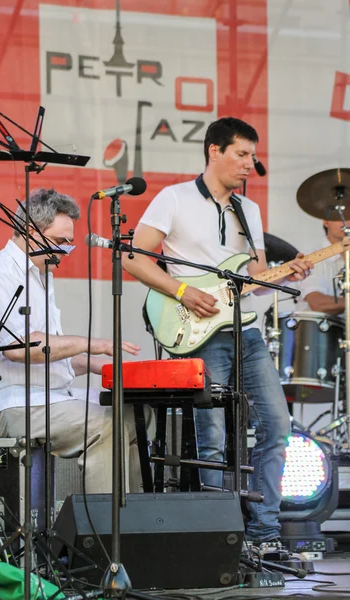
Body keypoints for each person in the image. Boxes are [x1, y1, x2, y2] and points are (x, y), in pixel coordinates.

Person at [122, 117, 313, 543]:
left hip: (245, 330)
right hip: (198, 332)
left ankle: (263, 535)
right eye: (241, 154)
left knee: (277, 427)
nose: (249, 164)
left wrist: (286, 274)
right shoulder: (173, 199)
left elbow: (256, 278)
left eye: (253, 156)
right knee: (210, 439)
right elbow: (132, 258)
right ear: (214, 150)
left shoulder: (249, 210)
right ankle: (216, 539)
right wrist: (184, 290)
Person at [0, 188, 152, 493]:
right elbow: (20, 349)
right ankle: (104, 534)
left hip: (46, 396)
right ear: (30, 231)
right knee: (105, 425)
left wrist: (103, 367)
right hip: (8, 405)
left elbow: (52, 355)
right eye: (60, 241)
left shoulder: (41, 275)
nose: (67, 249)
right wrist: (93, 343)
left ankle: (131, 518)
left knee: (136, 414)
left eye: (70, 242)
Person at [299, 219, 349, 315]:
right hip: (318, 328)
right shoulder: (311, 257)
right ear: (326, 222)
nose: (347, 223)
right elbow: (318, 303)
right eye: (342, 218)